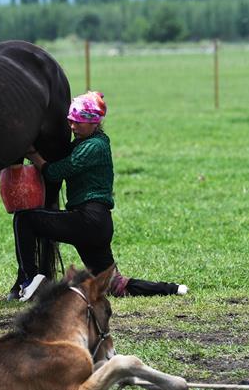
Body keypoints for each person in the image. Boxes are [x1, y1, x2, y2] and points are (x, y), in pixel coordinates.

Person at [18, 91, 188, 299]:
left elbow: (54, 173)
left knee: (24, 219)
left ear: (94, 123)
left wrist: (33, 155)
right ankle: (173, 288)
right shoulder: (88, 142)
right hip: (97, 224)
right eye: (71, 121)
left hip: (88, 220)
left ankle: (28, 281)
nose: (73, 127)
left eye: (79, 122)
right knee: (115, 285)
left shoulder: (93, 146)